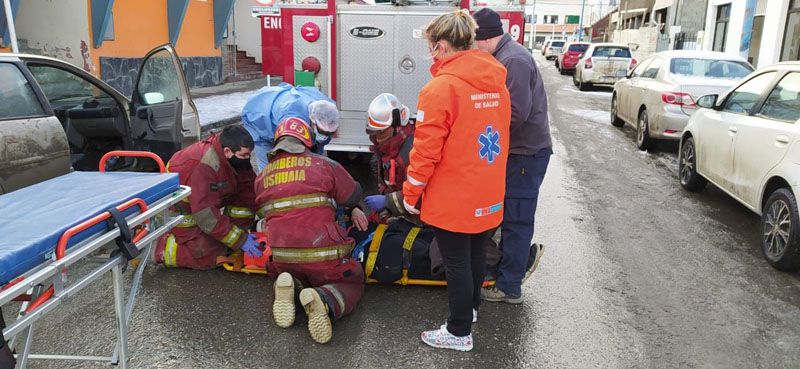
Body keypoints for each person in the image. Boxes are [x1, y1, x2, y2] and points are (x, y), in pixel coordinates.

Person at [403, 10, 511, 352]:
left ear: (441, 46)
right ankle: (471, 310)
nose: (431, 54)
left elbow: (425, 151)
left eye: (432, 47)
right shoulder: (496, 81)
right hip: (487, 189)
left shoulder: (441, 88)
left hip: (454, 194)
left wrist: (411, 193)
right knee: (476, 254)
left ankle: (459, 331)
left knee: (457, 262)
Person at [256, 117, 365, 344]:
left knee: (295, 274)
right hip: (322, 256)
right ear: (307, 141)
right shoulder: (324, 165)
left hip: (282, 257)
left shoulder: (261, 177)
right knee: (352, 280)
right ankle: (325, 299)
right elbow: (352, 194)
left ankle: (286, 285)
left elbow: (262, 214)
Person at [474, 8, 552, 304]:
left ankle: (509, 287)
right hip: (519, 153)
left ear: (484, 38)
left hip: (524, 155)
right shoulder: (505, 56)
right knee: (507, 215)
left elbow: (514, 113)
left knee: (516, 220)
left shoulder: (514, 61)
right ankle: (507, 272)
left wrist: (476, 130)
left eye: (474, 42)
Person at [154, 125, 262, 270]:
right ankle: (159, 247)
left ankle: (231, 240)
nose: (247, 159)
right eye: (244, 155)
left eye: (249, 154)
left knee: (241, 206)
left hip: (204, 202)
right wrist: (240, 240)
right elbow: (206, 217)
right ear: (227, 151)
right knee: (209, 254)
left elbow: (248, 188)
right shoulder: (204, 166)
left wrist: (268, 217)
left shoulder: (230, 157)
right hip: (179, 211)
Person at [241, 82, 340, 172]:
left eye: (328, 133)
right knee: (269, 171)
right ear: (313, 122)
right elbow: (288, 151)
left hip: (281, 106)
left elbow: (317, 151)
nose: (324, 136)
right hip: (259, 119)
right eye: (321, 131)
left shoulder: (328, 112)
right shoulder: (292, 119)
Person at [362, 93, 416, 218]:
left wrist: (388, 202)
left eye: (381, 132)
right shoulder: (388, 148)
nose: (376, 138)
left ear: (397, 126)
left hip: (420, 220)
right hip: (401, 211)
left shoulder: (412, 152)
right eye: (373, 132)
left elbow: (420, 196)